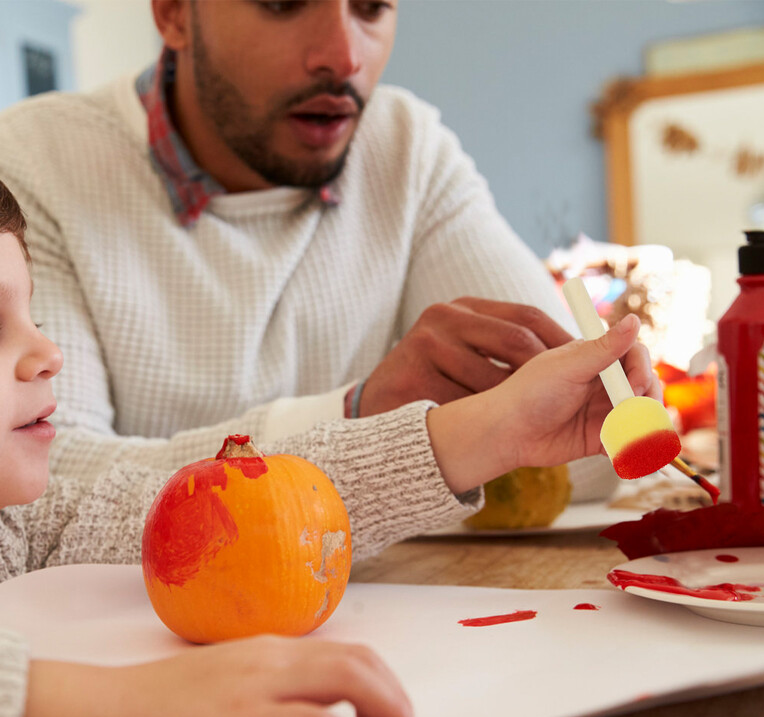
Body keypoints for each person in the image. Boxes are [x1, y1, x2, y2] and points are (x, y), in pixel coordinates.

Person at [0, 177, 659, 717]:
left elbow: (192, 515)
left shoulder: (24, 526)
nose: (46, 353)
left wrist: (489, 430)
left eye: (31, 313)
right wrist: (120, 714)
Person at [0, 0, 628, 497]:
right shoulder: (34, 162)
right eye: (283, 3)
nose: (343, 56)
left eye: (372, 6)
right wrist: (355, 416)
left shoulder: (406, 146)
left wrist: (611, 408)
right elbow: (48, 491)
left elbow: (586, 453)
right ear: (174, 13)